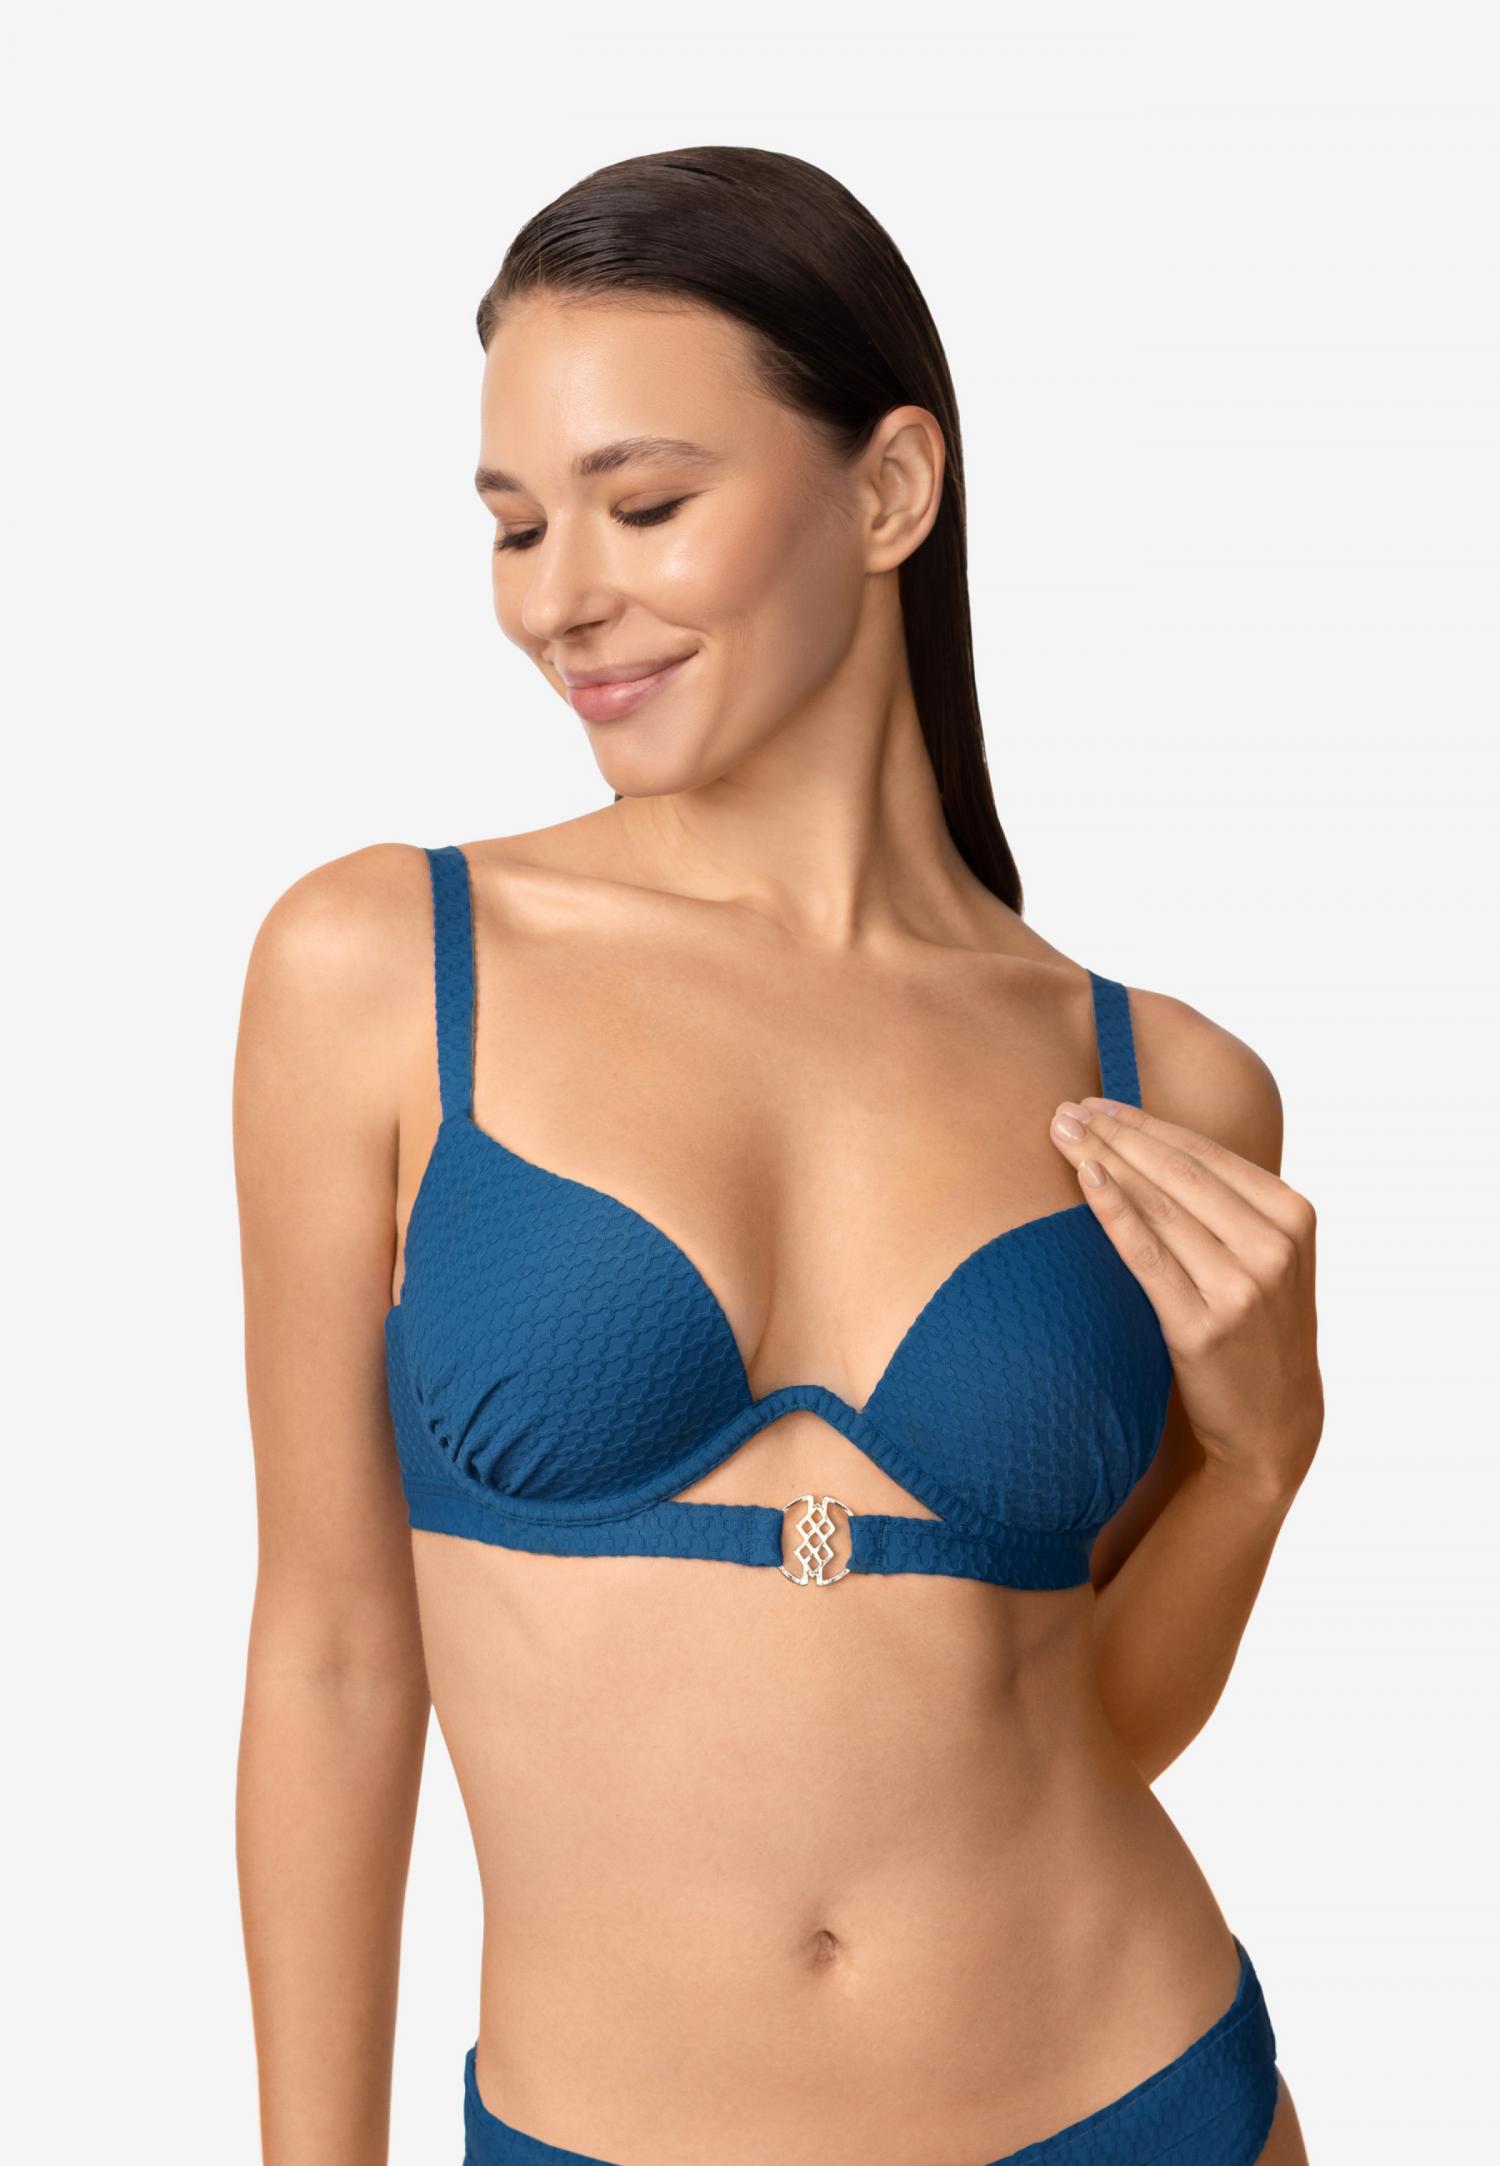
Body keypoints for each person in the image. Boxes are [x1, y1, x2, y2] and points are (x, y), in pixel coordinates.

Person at [234, 146, 1321, 2165]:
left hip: (1134, 2096)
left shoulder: (1163, 1083)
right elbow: (328, 1657)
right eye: (515, 524)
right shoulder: (385, 965)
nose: (557, 598)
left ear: (890, 491)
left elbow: (1079, 1724)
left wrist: (1260, 1463)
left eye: (644, 505)